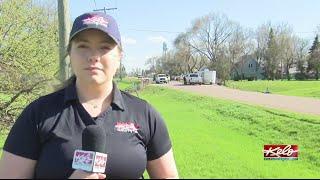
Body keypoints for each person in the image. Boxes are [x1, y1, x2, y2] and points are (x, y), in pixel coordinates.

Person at [0, 12, 178, 179]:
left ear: (119, 57)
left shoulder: (144, 113)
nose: (93, 56)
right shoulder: (38, 114)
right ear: (70, 54)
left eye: (105, 47)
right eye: (83, 46)